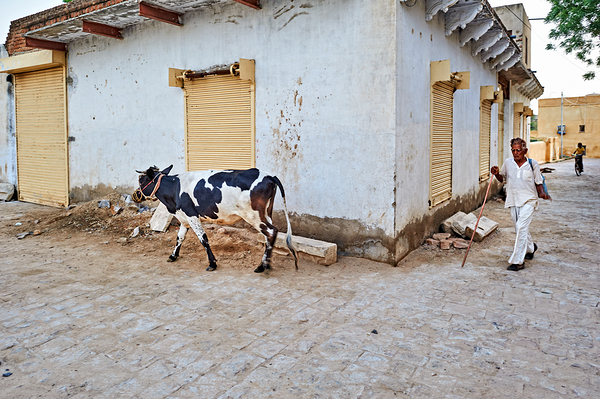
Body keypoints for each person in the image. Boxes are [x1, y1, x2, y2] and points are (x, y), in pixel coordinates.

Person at [491, 138, 552, 271]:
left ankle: (518, 261)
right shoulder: (508, 162)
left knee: (521, 226)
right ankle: (531, 248)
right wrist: (496, 174)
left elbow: (538, 181)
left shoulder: (532, 164)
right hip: (513, 200)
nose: (515, 153)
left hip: (529, 200)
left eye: (518, 150)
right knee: (520, 228)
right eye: (513, 150)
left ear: (525, 151)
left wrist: (542, 193)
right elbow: (503, 178)